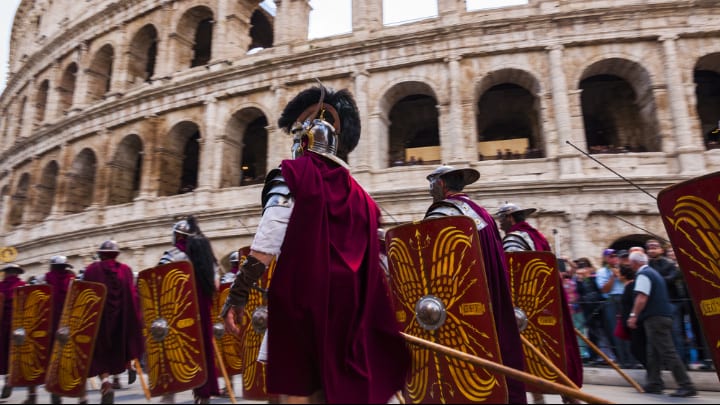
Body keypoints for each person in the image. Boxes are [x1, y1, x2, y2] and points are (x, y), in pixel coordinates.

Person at [221, 84, 410, 403]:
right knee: (339, 387)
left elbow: (268, 240)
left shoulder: (293, 175)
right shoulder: (362, 198)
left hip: (304, 304)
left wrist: (237, 295)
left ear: (305, 141)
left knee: (299, 386)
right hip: (352, 310)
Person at [424, 165, 527, 404]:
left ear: (440, 184)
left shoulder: (442, 213)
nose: (430, 191)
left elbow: (432, 267)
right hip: (489, 303)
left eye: (431, 184)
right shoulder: (483, 214)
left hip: (458, 310)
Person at [493, 202, 582, 404]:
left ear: (510, 218)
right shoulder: (536, 236)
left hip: (524, 308)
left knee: (528, 355)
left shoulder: (514, 239)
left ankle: (545, 399)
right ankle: (566, 397)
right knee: (552, 351)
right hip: (545, 305)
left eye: (501, 220)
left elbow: (512, 276)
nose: (500, 225)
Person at [158, 216, 221, 404]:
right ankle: (203, 395)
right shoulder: (209, 259)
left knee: (173, 352)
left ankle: (169, 396)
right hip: (201, 314)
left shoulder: (172, 255)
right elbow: (217, 286)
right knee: (202, 352)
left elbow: (158, 285)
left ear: (177, 236)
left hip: (177, 314)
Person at [626, 250, 697, 397]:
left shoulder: (643, 274)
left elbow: (641, 297)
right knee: (653, 353)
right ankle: (654, 383)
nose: (629, 265)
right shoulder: (653, 273)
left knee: (668, 352)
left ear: (635, 262)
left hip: (655, 318)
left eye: (630, 262)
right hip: (661, 316)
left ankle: (686, 385)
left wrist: (633, 315)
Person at [82, 240, 145, 404]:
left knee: (100, 354)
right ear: (116, 254)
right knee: (116, 352)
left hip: (99, 323)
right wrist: (134, 322)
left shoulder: (91, 270)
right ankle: (119, 375)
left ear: (101, 253)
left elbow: (85, 296)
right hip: (120, 324)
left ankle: (105, 382)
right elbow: (133, 298)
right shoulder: (126, 271)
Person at [21, 256, 76, 404]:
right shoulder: (73, 280)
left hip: (46, 327)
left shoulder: (43, 279)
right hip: (67, 328)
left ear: (52, 267)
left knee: (36, 358)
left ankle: (32, 395)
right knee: (64, 359)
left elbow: (29, 296)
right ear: (66, 266)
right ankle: (60, 389)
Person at [645, 239, 687, 365]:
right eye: (650, 247)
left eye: (655, 247)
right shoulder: (647, 266)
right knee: (661, 336)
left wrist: (655, 280)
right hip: (657, 305)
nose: (652, 249)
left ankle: (682, 362)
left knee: (676, 332)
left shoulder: (669, 263)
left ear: (661, 250)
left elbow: (671, 279)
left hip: (672, 302)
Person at [0, 264, 27, 400]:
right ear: (17, 273)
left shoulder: (0, 286)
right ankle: (10, 378)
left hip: (2, 327)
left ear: (6, 273)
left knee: (3, 354)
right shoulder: (23, 285)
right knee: (14, 354)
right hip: (18, 327)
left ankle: (7, 378)